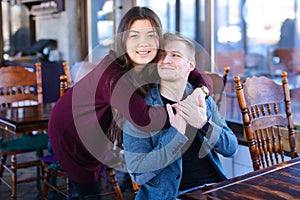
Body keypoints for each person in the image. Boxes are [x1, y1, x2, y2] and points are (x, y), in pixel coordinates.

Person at [48, 6, 211, 200]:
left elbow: (198, 75)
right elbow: (143, 118)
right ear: (123, 40)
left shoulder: (155, 58)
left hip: (102, 124)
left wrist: (201, 92)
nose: (143, 43)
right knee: (88, 191)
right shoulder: (112, 73)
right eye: (134, 36)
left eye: (150, 35)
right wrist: (187, 111)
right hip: (71, 127)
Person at [123, 32, 238, 199]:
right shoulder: (140, 109)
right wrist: (175, 135)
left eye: (175, 55)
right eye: (161, 55)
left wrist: (205, 125)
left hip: (213, 189)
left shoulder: (203, 100)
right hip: (170, 195)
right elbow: (138, 174)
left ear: (191, 65)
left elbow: (231, 148)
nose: (166, 60)